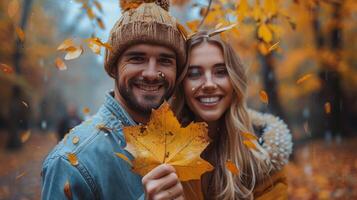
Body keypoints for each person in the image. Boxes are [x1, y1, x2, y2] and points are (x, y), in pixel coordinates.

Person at [41, 0, 187, 199]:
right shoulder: (72, 161)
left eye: (165, 60)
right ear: (114, 68)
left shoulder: (182, 144)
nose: (152, 73)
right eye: (137, 58)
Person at [171, 31, 292, 199]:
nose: (209, 84)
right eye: (194, 74)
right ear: (181, 84)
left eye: (220, 72)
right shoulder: (164, 152)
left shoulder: (263, 156)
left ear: (235, 81)